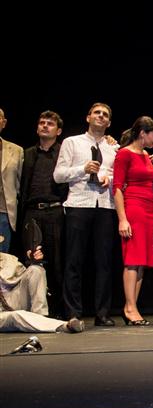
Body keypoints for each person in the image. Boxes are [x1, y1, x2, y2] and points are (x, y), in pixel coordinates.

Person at [53, 103, 117, 326]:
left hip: (106, 206)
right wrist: (83, 169)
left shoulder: (113, 148)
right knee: (74, 260)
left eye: (105, 115)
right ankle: (73, 312)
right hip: (79, 205)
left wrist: (111, 179)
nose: (100, 116)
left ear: (109, 123)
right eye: (97, 113)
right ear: (88, 117)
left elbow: (119, 175)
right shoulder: (72, 142)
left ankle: (102, 313)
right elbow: (58, 175)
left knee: (104, 262)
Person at [19, 111, 68, 318]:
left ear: (58, 131)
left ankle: (58, 310)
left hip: (56, 210)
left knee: (58, 262)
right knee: (33, 259)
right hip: (31, 212)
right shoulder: (27, 153)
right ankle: (35, 310)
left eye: (50, 123)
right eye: (42, 122)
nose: (45, 126)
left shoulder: (64, 153)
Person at [113, 117, 153, 326]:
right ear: (143, 133)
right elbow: (116, 188)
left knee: (141, 261)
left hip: (149, 210)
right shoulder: (124, 154)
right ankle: (130, 307)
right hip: (134, 208)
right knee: (132, 259)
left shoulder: (146, 155)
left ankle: (131, 306)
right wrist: (122, 219)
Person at [0, 247, 83, 333]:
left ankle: (39, 316)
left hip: (13, 299)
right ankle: (64, 326)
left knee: (35, 269)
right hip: (2, 314)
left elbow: (25, 279)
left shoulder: (8, 259)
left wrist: (34, 261)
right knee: (15, 316)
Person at [0, 108, 24, 253]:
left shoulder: (16, 150)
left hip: (3, 212)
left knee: (2, 262)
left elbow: (19, 183)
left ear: (4, 123)